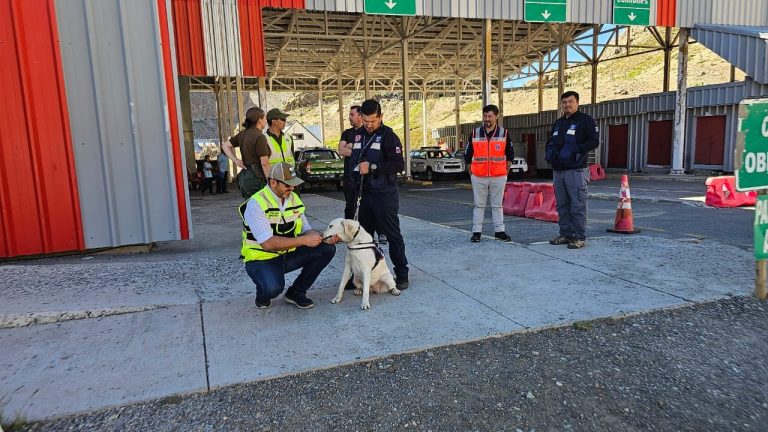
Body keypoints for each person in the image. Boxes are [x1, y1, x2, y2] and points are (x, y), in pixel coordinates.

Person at [239, 162, 336, 309]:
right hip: (262, 259)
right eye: (287, 184)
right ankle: (263, 291)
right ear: (273, 182)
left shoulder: (293, 199)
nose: (292, 188)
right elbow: (268, 243)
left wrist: (324, 237)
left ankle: (296, 293)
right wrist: (304, 240)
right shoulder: (256, 204)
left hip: (287, 254)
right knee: (273, 289)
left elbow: (306, 229)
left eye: (294, 184)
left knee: (327, 249)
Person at [348, 99, 409, 290]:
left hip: (384, 194)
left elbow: (399, 164)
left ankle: (401, 274)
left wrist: (373, 167)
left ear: (381, 117)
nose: (369, 124)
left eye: (373, 121)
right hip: (363, 195)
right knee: (363, 238)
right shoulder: (358, 136)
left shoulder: (389, 137)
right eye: (365, 120)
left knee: (392, 235)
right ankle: (364, 275)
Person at [545, 91, 600, 249]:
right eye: (564, 102)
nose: (567, 105)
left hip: (576, 171)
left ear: (577, 103)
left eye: (570, 102)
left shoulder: (586, 121)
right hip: (558, 171)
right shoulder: (558, 123)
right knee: (562, 205)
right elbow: (552, 142)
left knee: (577, 205)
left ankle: (579, 236)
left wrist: (576, 149)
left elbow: (594, 142)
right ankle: (566, 234)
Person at [463, 104, 514, 243]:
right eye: (485, 116)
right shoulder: (475, 133)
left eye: (490, 116)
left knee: (497, 205)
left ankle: (499, 231)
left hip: (498, 176)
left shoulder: (504, 133)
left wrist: (505, 172)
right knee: (479, 205)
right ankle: (476, 232)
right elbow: (468, 155)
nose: (487, 119)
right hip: (478, 176)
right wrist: (471, 172)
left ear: (496, 116)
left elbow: (510, 154)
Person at [222, 107, 272, 198]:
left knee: (250, 207)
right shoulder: (260, 137)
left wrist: (235, 160)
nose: (266, 120)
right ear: (260, 120)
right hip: (258, 177)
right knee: (263, 207)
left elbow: (225, 146)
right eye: (265, 118)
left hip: (246, 176)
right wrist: (270, 182)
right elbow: (264, 163)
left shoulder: (242, 134)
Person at [338, 105, 364, 219]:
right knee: (350, 206)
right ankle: (348, 231)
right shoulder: (347, 133)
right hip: (349, 176)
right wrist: (358, 149)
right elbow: (341, 150)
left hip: (363, 176)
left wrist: (351, 145)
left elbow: (366, 150)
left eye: (352, 115)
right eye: (349, 114)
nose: (349, 117)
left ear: (360, 116)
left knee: (365, 206)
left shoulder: (366, 132)